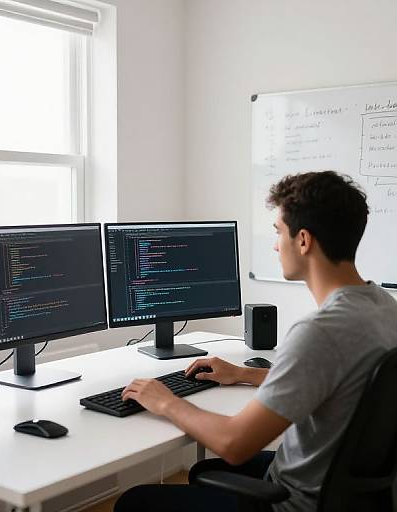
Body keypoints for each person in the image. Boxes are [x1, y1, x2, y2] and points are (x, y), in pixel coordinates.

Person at [114, 171, 397, 512]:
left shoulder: (319, 332)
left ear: (303, 240)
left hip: (293, 502)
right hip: (345, 493)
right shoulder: (383, 307)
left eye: (278, 232)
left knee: (135, 501)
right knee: (206, 469)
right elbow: (344, 383)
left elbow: (234, 444)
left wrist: (165, 401)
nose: (275, 245)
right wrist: (245, 374)